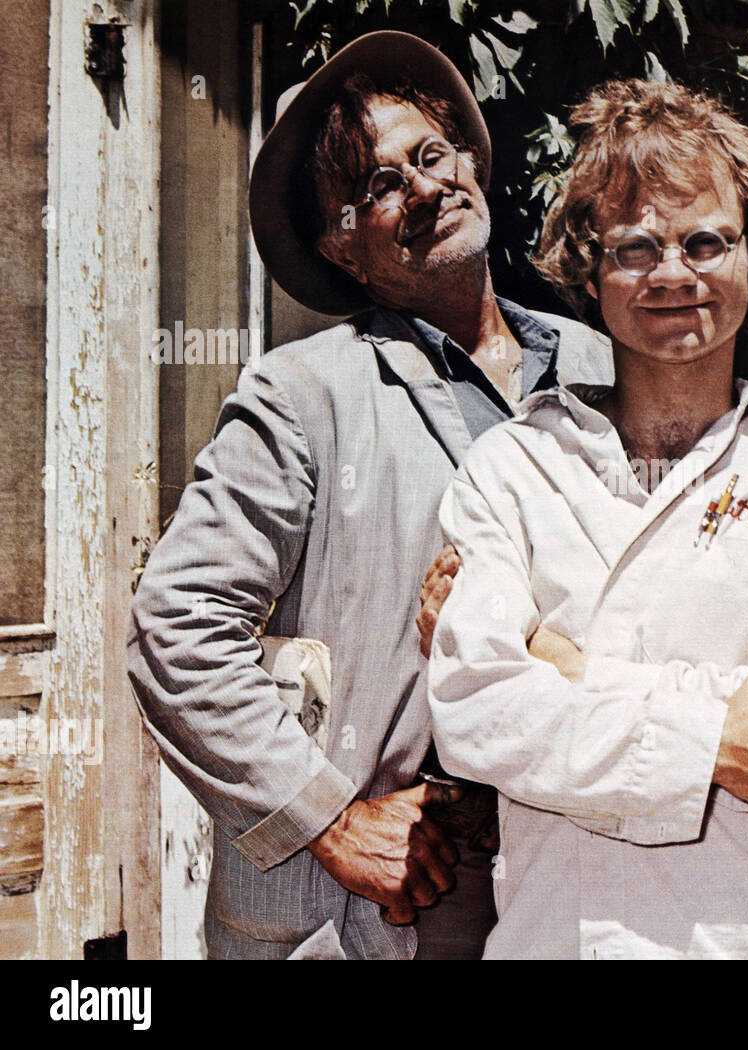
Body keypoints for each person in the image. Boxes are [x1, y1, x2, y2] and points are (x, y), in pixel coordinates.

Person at [126, 31, 610, 960]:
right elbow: (178, 623)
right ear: (342, 250)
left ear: (470, 161)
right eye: (379, 187)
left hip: (574, 877)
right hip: (386, 907)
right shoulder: (304, 393)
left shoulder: (600, 368)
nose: (424, 188)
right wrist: (327, 817)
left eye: (432, 157)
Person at [425, 80, 748, 959]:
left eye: (707, 241)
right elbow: (476, 713)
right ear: (586, 270)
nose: (673, 273)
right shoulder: (512, 470)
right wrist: (727, 735)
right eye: (635, 246)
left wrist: (564, 670)